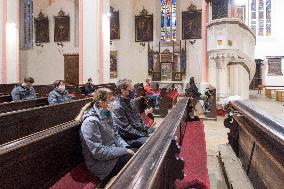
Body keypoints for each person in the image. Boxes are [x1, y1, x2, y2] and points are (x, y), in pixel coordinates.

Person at [76, 88, 134, 186]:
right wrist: (123, 151)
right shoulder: (90, 122)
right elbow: (98, 152)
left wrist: (125, 148)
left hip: (112, 153)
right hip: (100, 163)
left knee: (136, 153)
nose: (113, 103)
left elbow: (116, 135)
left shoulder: (107, 114)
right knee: (135, 162)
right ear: (101, 103)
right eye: (111, 100)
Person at [112, 79, 151, 148]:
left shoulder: (130, 101)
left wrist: (146, 129)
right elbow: (126, 130)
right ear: (122, 90)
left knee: (157, 132)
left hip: (137, 133)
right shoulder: (117, 107)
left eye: (133, 90)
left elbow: (138, 119)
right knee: (151, 141)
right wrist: (144, 134)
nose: (134, 92)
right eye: (130, 90)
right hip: (128, 138)